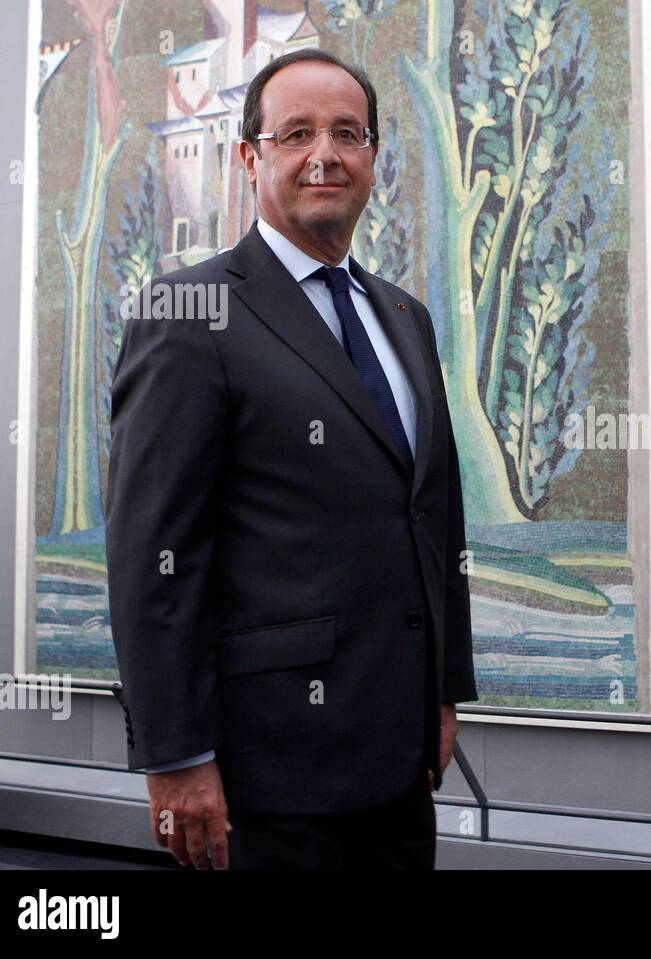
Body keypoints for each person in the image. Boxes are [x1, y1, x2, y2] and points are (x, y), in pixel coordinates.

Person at [104, 48, 477, 870]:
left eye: (348, 133)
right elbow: (152, 559)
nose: (325, 154)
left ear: (373, 156)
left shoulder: (404, 316)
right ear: (249, 157)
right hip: (261, 782)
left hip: (398, 771)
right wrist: (174, 756)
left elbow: (431, 516)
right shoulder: (187, 313)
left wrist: (441, 693)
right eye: (296, 132)